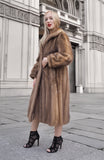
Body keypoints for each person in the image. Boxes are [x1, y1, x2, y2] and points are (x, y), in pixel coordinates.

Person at [23, 10, 73, 153]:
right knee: (37, 107)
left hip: (56, 82)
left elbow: (68, 56)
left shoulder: (61, 35)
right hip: (42, 80)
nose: (48, 21)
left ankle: (57, 139)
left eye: (51, 18)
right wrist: (35, 75)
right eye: (46, 19)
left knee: (57, 111)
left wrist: (49, 59)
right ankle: (33, 134)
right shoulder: (45, 38)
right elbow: (39, 60)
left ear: (56, 20)